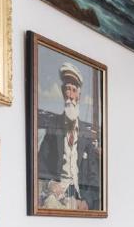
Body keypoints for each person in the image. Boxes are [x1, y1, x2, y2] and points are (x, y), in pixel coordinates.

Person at [36, 61, 101, 211]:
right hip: (58, 196)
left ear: (79, 94)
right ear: (62, 91)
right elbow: (41, 165)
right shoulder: (53, 129)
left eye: (74, 90)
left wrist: (86, 201)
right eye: (67, 89)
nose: (70, 95)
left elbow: (94, 177)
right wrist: (51, 184)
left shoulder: (87, 134)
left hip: (79, 199)